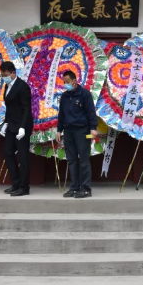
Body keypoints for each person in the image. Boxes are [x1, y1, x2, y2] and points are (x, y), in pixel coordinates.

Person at [56, 70, 98, 199]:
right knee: (71, 160)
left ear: (74, 81)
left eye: (67, 82)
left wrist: (93, 128)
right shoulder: (64, 96)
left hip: (82, 131)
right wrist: (59, 130)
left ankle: (85, 188)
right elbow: (61, 115)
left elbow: (91, 111)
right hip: (68, 131)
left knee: (84, 160)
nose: (66, 84)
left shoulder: (84, 94)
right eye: (64, 82)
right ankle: (74, 187)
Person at [0, 61, 33, 197]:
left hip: (22, 127)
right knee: (7, 153)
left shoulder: (22, 87)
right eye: (2, 75)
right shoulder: (7, 86)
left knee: (23, 156)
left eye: (6, 75)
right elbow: (10, 107)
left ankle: (24, 187)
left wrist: (23, 128)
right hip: (11, 125)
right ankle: (16, 183)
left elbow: (26, 109)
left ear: (13, 73)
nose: (4, 77)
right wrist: (6, 123)